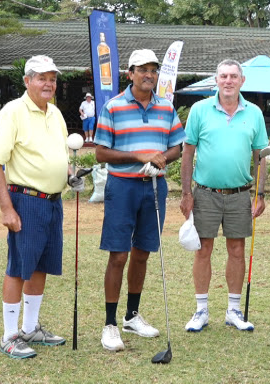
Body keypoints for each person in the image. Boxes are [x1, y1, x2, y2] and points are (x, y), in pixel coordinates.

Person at [0, 55, 85, 359]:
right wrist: (7, 209)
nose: (48, 84)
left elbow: (60, 155)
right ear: (27, 81)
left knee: (41, 265)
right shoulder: (12, 112)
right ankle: (9, 335)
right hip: (25, 200)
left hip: (53, 203)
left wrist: (70, 176)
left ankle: (30, 328)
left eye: (52, 78)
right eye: (41, 78)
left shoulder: (54, 113)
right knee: (19, 266)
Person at [95, 49, 185, 352]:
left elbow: (177, 147)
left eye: (153, 69)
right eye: (142, 69)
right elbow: (101, 153)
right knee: (118, 255)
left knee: (143, 252)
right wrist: (138, 155)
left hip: (154, 187)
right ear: (130, 73)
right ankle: (110, 324)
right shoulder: (114, 106)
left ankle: (132, 316)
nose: (149, 75)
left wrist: (161, 159)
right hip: (122, 187)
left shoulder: (166, 108)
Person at [179, 59, 268, 332]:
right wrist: (185, 193)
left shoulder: (254, 113)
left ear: (242, 81)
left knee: (237, 250)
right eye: (223, 76)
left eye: (233, 76)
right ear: (215, 81)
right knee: (203, 249)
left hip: (240, 194)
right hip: (205, 193)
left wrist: (261, 194)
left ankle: (233, 310)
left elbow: (261, 156)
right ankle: (201, 311)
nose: (228, 81)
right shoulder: (199, 110)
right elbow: (187, 153)